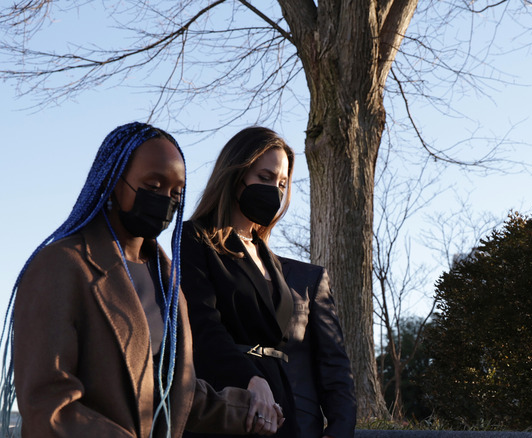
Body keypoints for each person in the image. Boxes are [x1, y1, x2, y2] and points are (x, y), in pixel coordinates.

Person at [0, 122, 271, 438]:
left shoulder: (168, 282)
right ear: (115, 182)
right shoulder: (59, 266)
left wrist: (246, 411)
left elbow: (171, 394)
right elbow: (50, 407)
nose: (166, 199)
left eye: (176, 192)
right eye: (153, 185)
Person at [180, 127, 297, 438]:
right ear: (235, 174)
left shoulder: (267, 255)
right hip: (227, 402)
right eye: (265, 177)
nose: (275, 189)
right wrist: (251, 379)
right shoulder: (194, 238)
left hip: (279, 408)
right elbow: (202, 324)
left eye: (282, 183)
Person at [278, 257, 357, 438]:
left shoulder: (308, 276)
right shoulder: (208, 271)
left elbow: (333, 361)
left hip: (300, 424)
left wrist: (338, 431)